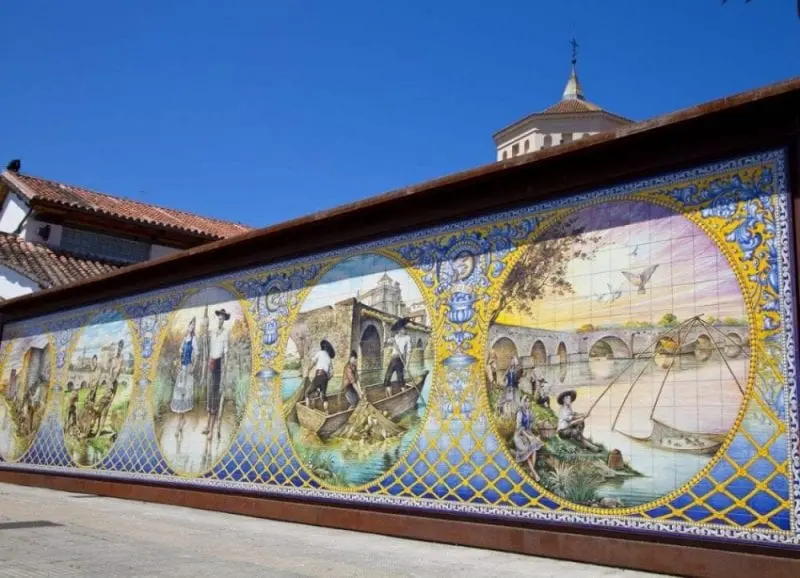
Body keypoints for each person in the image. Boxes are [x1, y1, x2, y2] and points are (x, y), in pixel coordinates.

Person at [203, 309, 230, 438]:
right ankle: (207, 426)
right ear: (217, 318)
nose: (220, 320)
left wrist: (225, 370)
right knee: (209, 394)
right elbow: (208, 348)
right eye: (219, 318)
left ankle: (212, 431)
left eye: (222, 319)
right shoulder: (212, 332)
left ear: (224, 320)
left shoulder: (225, 333)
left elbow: (226, 352)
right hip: (210, 363)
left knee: (215, 395)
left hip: (218, 365)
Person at [171, 318, 197, 441]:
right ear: (188, 326)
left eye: (193, 326)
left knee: (183, 395)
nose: (191, 327)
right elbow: (180, 352)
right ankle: (181, 421)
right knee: (179, 394)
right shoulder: (184, 339)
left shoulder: (194, 340)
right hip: (182, 370)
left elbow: (196, 354)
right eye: (190, 325)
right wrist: (178, 365)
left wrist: (193, 367)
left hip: (188, 370)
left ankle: (180, 424)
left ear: (194, 328)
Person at [514, 395, 543, 481]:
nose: (527, 403)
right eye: (526, 401)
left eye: (529, 402)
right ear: (523, 402)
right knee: (527, 452)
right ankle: (534, 473)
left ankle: (531, 472)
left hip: (528, 433)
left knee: (534, 449)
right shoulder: (520, 413)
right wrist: (529, 437)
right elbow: (519, 428)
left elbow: (530, 425)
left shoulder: (529, 412)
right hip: (519, 435)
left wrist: (533, 434)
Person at [306, 339, 335, 410]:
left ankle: (307, 410)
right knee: (323, 397)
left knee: (307, 393)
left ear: (321, 347)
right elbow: (332, 374)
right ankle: (326, 413)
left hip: (318, 375)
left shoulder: (319, 353)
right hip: (325, 377)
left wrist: (308, 370)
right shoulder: (329, 358)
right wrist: (327, 379)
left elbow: (312, 364)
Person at [384, 318, 411, 392]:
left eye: (403, 329)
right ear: (399, 330)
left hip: (400, 359)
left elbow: (408, 352)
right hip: (393, 359)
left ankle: (404, 393)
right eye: (401, 329)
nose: (403, 330)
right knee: (387, 378)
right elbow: (387, 342)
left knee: (400, 379)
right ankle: (389, 395)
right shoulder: (395, 337)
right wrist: (389, 340)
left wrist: (407, 365)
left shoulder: (407, 338)